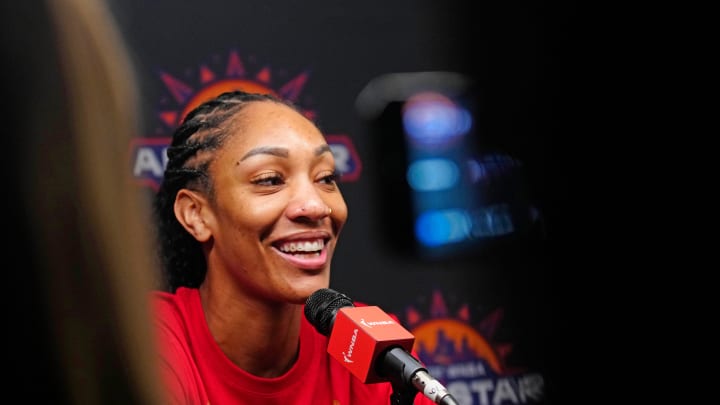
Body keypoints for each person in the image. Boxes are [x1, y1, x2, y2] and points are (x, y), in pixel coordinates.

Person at [151, 90, 436, 404]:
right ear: (197, 215)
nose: (315, 206)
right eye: (270, 179)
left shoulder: (370, 346)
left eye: (326, 177)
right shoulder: (149, 339)